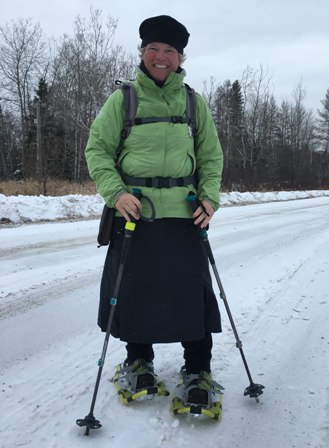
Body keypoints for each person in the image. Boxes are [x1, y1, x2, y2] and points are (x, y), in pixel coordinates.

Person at [85, 15, 224, 418]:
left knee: (192, 294)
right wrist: (116, 193)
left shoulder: (194, 103)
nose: (160, 57)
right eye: (153, 49)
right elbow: (97, 151)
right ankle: (138, 362)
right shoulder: (123, 100)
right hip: (136, 214)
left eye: (169, 51)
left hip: (185, 215)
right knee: (133, 293)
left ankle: (197, 370)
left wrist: (210, 198)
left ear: (181, 57)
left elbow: (212, 157)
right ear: (142, 52)